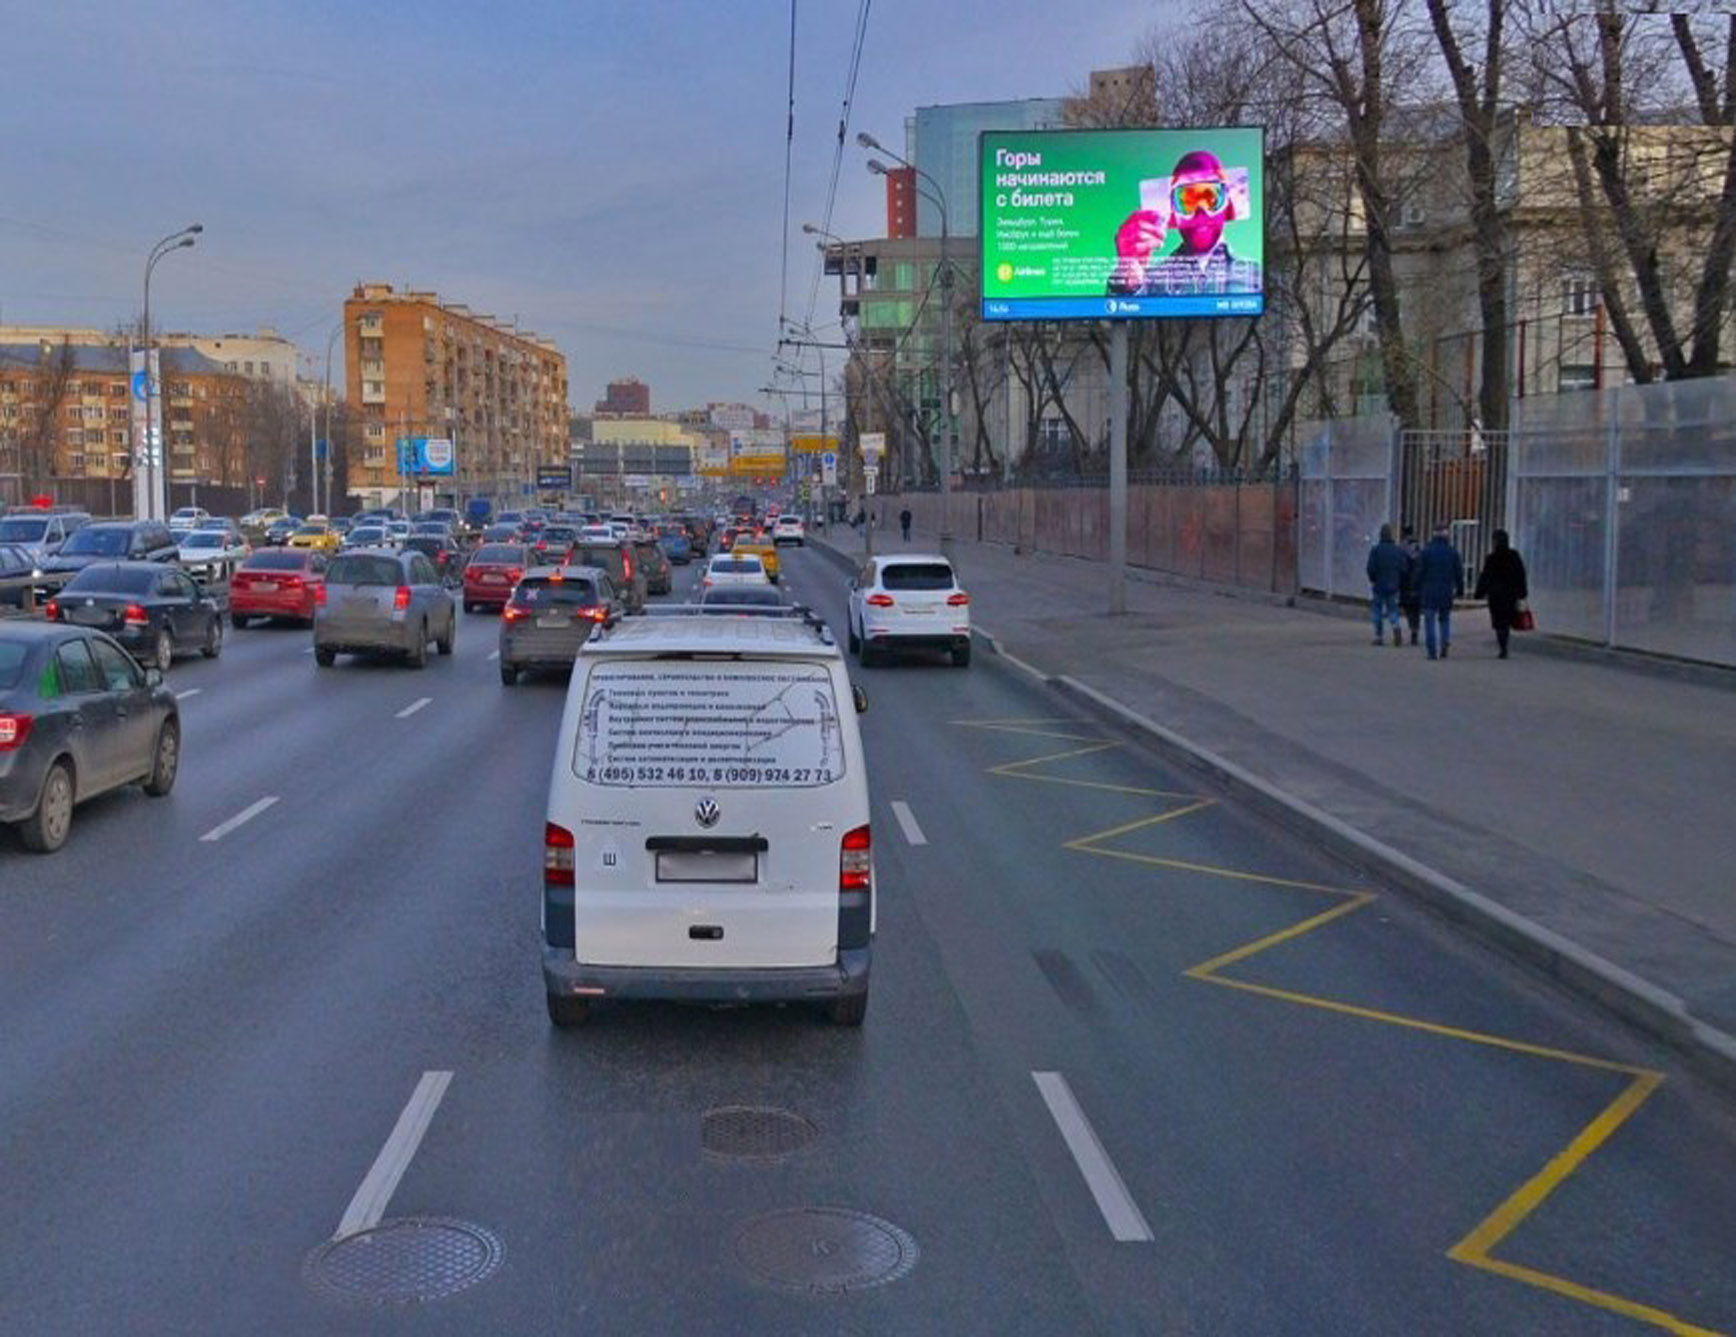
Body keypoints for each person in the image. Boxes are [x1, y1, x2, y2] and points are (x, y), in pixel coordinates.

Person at [1108, 150, 1262, 297]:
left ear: (1227, 202)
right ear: (1172, 208)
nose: (1200, 211)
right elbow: (1114, 315)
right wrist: (1127, 275)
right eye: (1187, 199)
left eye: (1211, 197)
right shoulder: (1148, 281)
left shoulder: (1256, 276)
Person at [1473, 529, 1530, 659]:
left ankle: (1502, 646)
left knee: (1499, 621)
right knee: (1507, 619)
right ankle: (1505, 643)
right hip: (1510, 594)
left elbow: (1485, 577)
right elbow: (1520, 574)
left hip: (1496, 595)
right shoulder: (1514, 556)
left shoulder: (1492, 558)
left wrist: (1479, 593)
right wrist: (1522, 592)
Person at [1415, 524, 1465, 660]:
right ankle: (1445, 641)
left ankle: (1432, 651)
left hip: (1429, 589)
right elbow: (1458, 573)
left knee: (1429, 621)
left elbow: (1420, 571)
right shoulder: (1452, 552)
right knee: (1445, 618)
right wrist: (1460, 589)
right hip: (1446, 589)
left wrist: (1416, 587)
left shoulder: (1426, 551)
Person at [1365, 524, 1407, 647]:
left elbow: (1370, 568)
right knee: (1392, 609)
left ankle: (1378, 636)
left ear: (1381, 535)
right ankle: (1395, 625)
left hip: (1379, 584)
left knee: (1377, 610)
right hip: (1393, 584)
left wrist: (1373, 579)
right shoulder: (1397, 550)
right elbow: (1403, 568)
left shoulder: (1376, 550)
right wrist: (1398, 580)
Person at [1397, 524, 1424, 646]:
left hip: (1406, 583)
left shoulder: (1402, 548)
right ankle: (1415, 630)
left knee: (1408, 608)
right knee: (1416, 609)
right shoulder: (1420, 547)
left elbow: (1401, 568)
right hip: (1418, 583)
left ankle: (1412, 627)